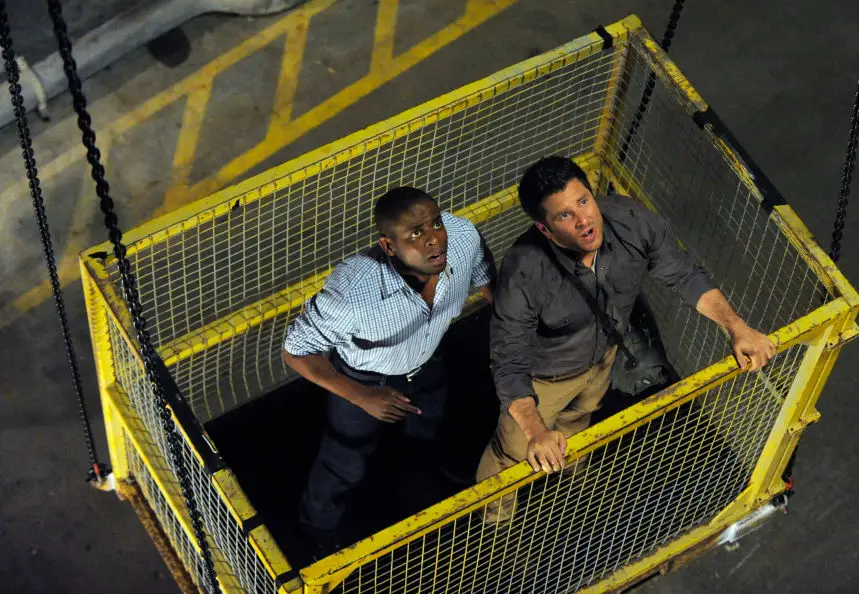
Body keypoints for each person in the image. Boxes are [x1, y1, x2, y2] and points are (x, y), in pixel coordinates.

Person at [476, 156, 776, 522]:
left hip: (602, 358)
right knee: (512, 455)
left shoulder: (630, 221)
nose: (584, 221)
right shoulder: (524, 271)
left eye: (583, 201)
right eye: (565, 216)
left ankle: (574, 481)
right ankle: (494, 522)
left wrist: (737, 327)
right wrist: (535, 428)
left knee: (579, 418)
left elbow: (683, 274)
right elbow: (508, 360)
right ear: (545, 230)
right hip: (545, 379)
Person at [282, 186, 494, 555]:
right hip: (364, 379)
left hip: (426, 362)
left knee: (428, 429)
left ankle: (423, 482)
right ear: (389, 245)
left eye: (435, 223)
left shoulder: (461, 239)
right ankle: (316, 534)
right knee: (344, 463)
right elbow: (296, 351)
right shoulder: (353, 292)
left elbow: (487, 279)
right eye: (416, 233)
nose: (434, 240)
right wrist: (361, 396)